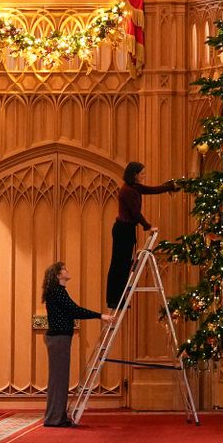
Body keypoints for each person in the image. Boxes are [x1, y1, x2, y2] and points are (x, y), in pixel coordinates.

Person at [42, 262, 112, 428]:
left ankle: (56, 417)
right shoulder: (57, 291)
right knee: (59, 379)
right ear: (58, 275)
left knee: (59, 378)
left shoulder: (58, 291)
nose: (67, 270)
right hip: (59, 338)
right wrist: (100, 316)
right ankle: (54, 419)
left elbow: (72, 310)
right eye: (64, 269)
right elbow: (75, 310)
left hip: (60, 338)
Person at [105, 161, 180, 309]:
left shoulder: (135, 187)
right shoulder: (127, 191)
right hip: (122, 230)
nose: (144, 176)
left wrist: (169, 186)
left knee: (125, 264)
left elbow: (152, 190)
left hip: (128, 229)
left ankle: (119, 298)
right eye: (142, 174)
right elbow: (135, 213)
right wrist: (148, 226)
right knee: (119, 264)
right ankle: (114, 299)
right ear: (135, 174)